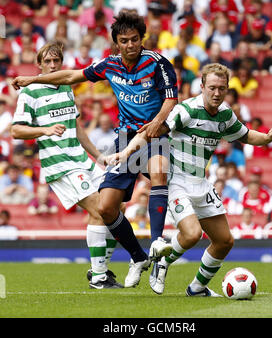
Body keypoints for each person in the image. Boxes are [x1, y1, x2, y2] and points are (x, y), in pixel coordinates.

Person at [12, 12, 177, 288]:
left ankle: (156, 245)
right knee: (106, 206)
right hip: (124, 139)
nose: (130, 45)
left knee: (159, 172)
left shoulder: (157, 63)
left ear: (141, 39)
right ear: (116, 43)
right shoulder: (109, 64)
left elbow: (171, 100)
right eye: (124, 40)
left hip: (153, 134)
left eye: (134, 39)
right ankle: (137, 258)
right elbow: (74, 75)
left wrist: (156, 124)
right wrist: (32, 80)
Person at [106, 63, 272, 295]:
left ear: (227, 89)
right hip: (175, 181)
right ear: (202, 87)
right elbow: (152, 130)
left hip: (200, 183)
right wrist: (126, 152)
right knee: (192, 234)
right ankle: (162, 263)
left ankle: (197, 288)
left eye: (221, 88)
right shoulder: (187, 111)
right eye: (212, 87)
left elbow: (246, 135)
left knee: (224, 241)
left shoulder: (225, 115)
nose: (216, 93)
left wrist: (268, 137)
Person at [11, 41, 123, 290]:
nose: (52, 65)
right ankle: (98, 277)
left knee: (116, 206)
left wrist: (98, 156)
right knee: (98, 210)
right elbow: (16, 130)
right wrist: (45, 129)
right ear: (39, 64)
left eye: (56, 61)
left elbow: (77, 128)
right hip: (60, 164)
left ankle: (99, 267)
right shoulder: (30, 92)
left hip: (82, 160)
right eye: (47, 61)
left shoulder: (66, 87)